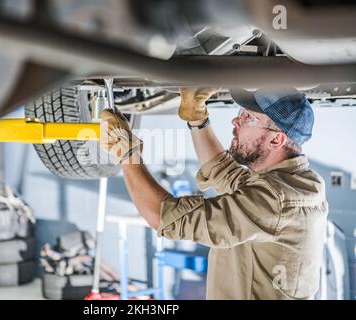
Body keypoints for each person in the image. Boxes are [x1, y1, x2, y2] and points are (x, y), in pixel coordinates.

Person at [99, 87, 328, 300]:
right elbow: (225, 173)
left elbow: (163, 217)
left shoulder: (277, 200)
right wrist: (197, 118)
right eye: (242, 113)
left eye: (249, 117)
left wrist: (127, 152)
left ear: (276, 139)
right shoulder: (296, 184)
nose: (236, 120)